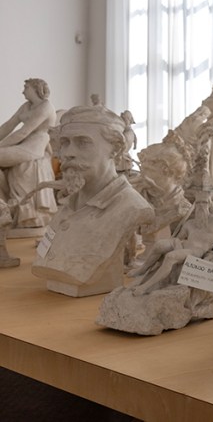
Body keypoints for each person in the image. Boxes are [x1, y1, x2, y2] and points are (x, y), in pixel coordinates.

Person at [32, 105, 154, 296]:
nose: (68, 153)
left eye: (83, 142)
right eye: (65, 143)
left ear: (116, 149)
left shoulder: (131, 206)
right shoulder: (67, 205)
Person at [129, 190, 213, 295]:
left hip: (196, 251)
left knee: (170, 257)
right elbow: (178, 238)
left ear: (209, 204)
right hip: (183, 245)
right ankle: (142, 269)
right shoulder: (190, 223)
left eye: (204, 202)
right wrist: (176, 242)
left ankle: (145, 287)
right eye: (198, 203)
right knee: (159, 245)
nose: (200, 205)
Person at [0, 78, 58, 227]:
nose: (23, 91)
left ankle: (12, 207)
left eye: (26, 88)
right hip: (23, 143)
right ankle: (6, 205)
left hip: (35, 147)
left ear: (36, 89)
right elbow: (8, 126)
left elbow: (23, 132)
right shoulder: (26, 106)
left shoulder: (46, 107)